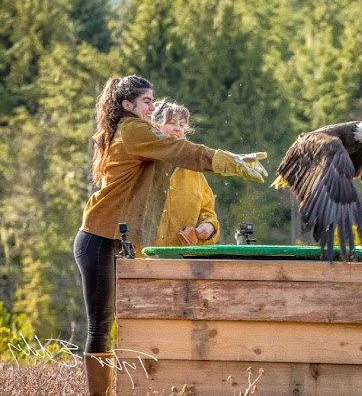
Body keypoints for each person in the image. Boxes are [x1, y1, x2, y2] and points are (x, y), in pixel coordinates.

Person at [74, 75, 267, 396]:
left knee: (125, 324)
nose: (152, 106)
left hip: (117, 242)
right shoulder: (134, 130)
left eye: (152, 101)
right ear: (127, 105)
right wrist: (227, 161)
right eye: (147, 102)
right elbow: (178, 148)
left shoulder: (136, 131)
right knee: (100, 328)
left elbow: (177, 155)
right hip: (97, 237)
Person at [151, 99, 219, 247]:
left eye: (182, 125)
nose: (178, 129)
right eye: (172, 123)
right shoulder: (140, 162)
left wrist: (209, 227)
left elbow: (208, 212)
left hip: (184, 260)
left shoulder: (194, 169)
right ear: (155, 126)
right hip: (141, 260)